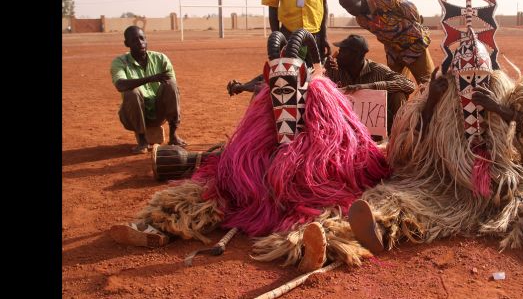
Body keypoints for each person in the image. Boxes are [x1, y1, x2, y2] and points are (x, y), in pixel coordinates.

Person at [251, 29, 523, 271]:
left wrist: (502, 111)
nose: (471, 87)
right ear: (453, 78)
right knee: (400, 202)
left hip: (500, 180)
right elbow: (410, 150)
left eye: (478, 78)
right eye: (464, 80)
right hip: (446, 186)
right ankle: (375, 231)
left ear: (490, 74)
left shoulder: (503, 94)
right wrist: (433, 100)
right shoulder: (440, 97)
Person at [109, 29, 392, 274]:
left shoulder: (323, 101)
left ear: (305, 77)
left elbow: (341, 142)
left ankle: (313, 244)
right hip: (265, 178)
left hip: (309, 173)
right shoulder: (263, 108)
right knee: (211, 193)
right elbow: (246, 148)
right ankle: (154, 228)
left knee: (324, 200)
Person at [110, 26, 186, 154]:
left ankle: (173, 135)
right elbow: (120, 85)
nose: (140, 42)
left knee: (171, 84)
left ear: (146, 39)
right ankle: (142, 140)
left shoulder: (160, 59)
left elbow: (170, 85)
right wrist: (150, 79)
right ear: (126, 43)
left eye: (142, 38)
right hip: (132, 117)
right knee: (131, 92)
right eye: (134, 40)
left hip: (159, 113)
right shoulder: (119, 62)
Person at [338, 0, 434, 84]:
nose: (349, 11)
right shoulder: (360, 20)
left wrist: (411, 31)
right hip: (394, 53)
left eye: (350, 6)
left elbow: (412, 10)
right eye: (346, 8)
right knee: (395, 85)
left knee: (427, 83)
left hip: (414, 47)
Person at [324, 34, 415, 135]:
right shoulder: (335, 70)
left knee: (398, 95)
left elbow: (408, 84)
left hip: (376, 129)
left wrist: (368, 86)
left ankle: (397, 137)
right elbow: (315, 88)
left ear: (356, 55)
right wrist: (324, 69)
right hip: (345, 128)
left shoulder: (378, 71)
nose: (337, 55)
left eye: (342, 51)